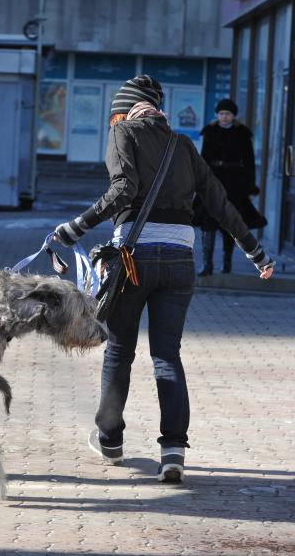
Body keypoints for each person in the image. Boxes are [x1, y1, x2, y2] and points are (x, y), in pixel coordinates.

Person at [54, 75, 274, 483]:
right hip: (178, 262)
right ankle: (173, 449)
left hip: (133, 263)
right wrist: (253, 251)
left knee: (119, 352)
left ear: (128, 109)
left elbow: (124, 189)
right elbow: (220, 203)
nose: (114, 119)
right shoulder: (184, 145)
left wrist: (74, 228)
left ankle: (110, 438)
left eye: (117, 112)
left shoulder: (123, 133)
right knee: (166, 356)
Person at [194, 99, 266, 276]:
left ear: (233, 116)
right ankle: (207, 265)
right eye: (221, 114)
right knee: (208, 223)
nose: (223, 117)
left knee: (230, 224)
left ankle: (227, 264)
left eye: (227, 114)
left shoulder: (242, 134)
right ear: (217, 115)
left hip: (235, 184)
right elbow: (203, 159)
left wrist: (250, 188)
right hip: (213, 181)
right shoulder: (210, 132)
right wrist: (200, 182)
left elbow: (249, 163)